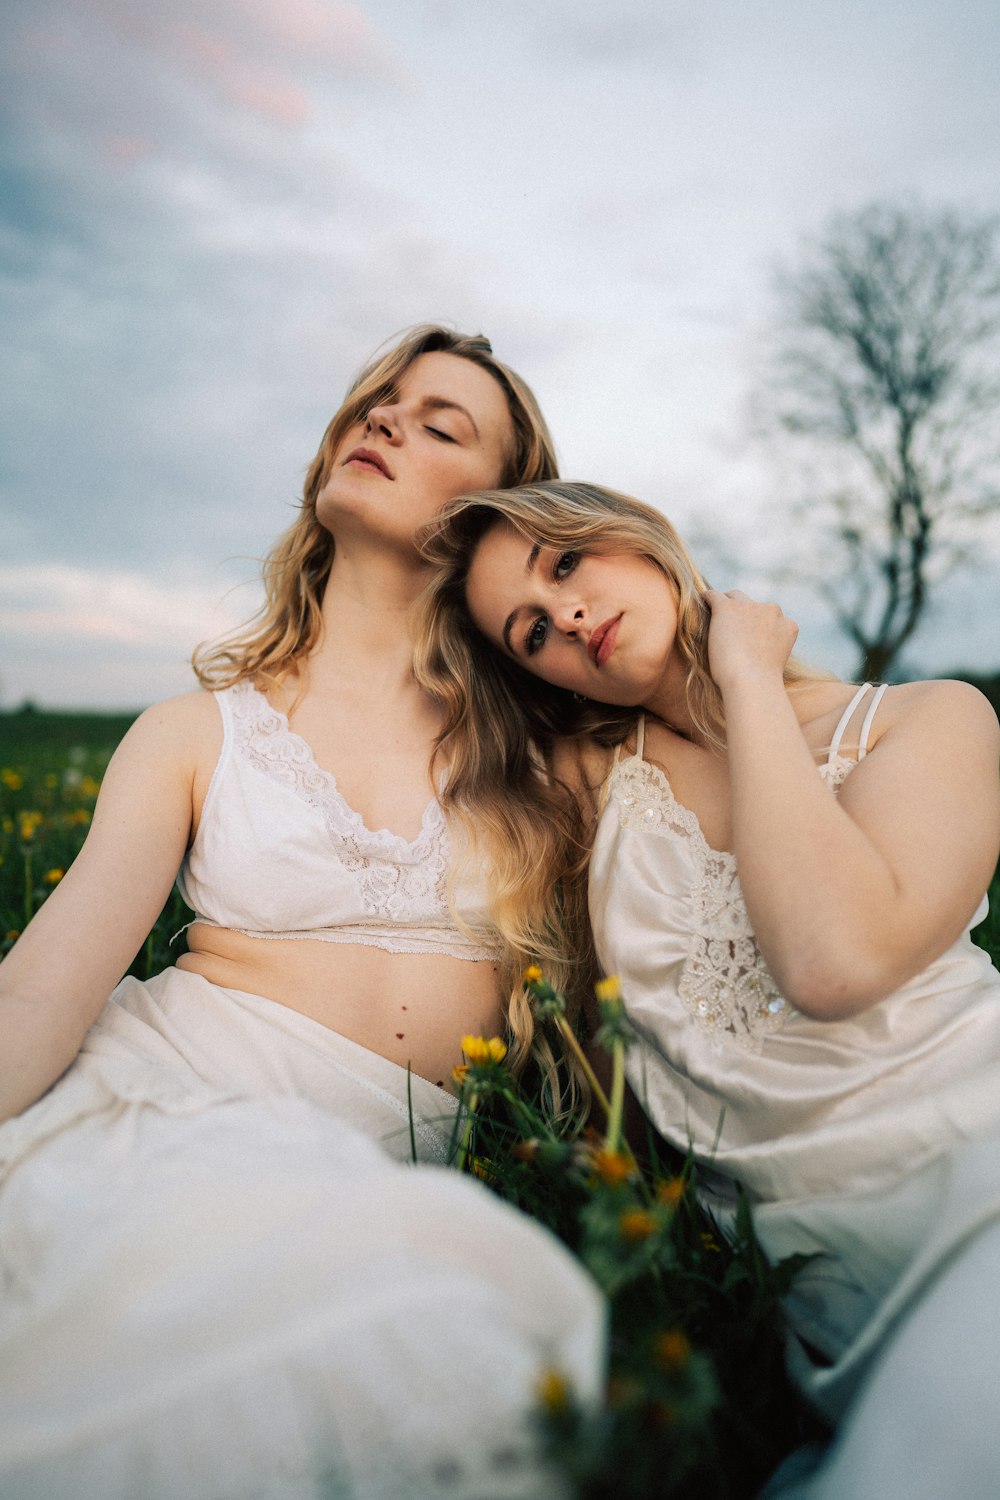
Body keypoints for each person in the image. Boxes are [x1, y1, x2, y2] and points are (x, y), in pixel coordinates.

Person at [0, 333, 606, 1500]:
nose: (381, 421)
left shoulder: (544, 760)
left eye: (438, 424)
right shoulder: (195, 731)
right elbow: (43, 985)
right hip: (156, 1104)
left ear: (491, 514)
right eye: (374, 406)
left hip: (357, 1166)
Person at [416, 477, 1000, 1500]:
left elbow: (835, 961)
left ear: (644, 541)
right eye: (532, 632)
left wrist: (746, 678)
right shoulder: (592, 791)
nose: (568, 616)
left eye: (565, 564)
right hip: (825, 1270)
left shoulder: (932, 719)